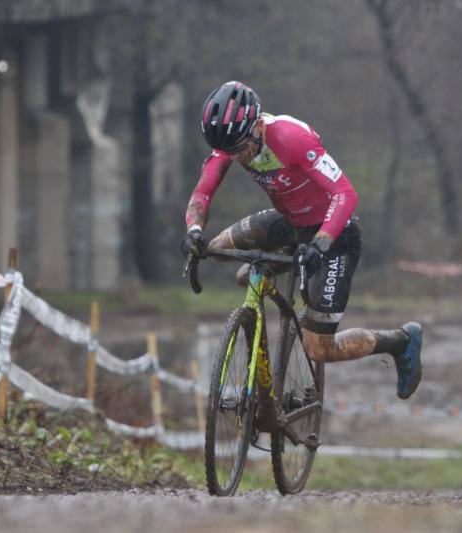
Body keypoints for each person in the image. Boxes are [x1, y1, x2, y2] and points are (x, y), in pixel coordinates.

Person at [180, 81, 423, 399]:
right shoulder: (230, 142)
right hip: (289, 223)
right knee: (219, 250)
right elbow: (204, 191)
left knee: (319, 349)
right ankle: (282, 262)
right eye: (230, 152)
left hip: (334, 235)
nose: (238, 158)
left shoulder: (292, 137)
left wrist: (322, 242)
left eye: (241, 149)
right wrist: (194, 231)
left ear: (257, 126)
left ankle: (400, 341)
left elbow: (345, 193)